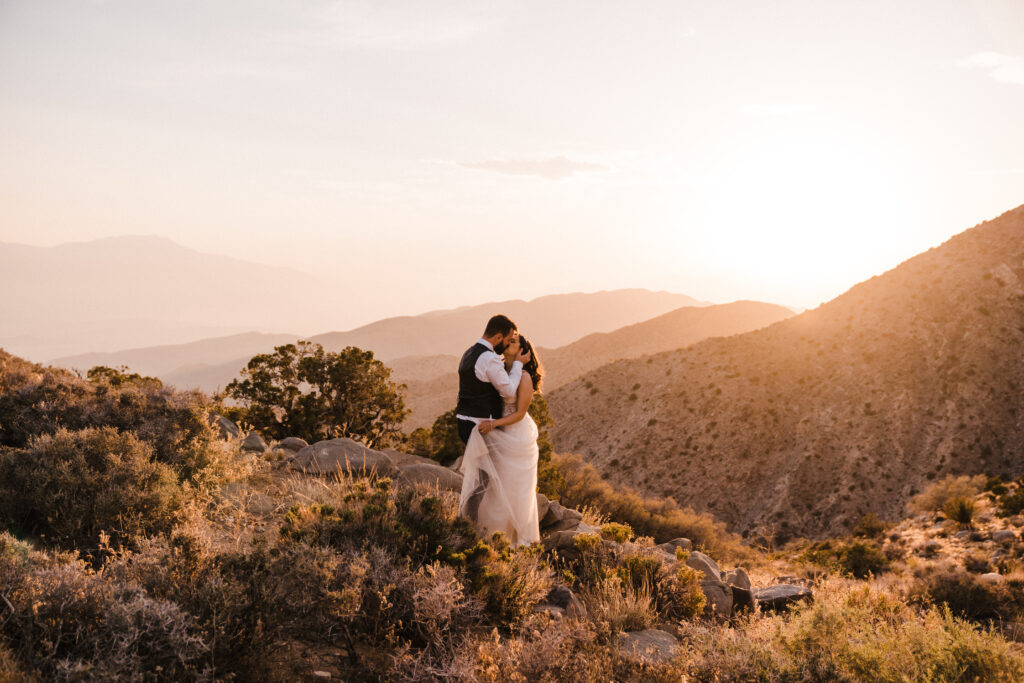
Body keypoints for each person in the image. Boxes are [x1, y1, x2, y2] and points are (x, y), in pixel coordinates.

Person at [458, 324, 544, 547]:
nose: (508, 343)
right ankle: (492, 534)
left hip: (516, 436)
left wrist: (494, 423)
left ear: (523, 352)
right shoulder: (501, 371)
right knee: (496, 489)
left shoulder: (524, 377)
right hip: (499, 433)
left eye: (514, 342)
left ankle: (515, 539)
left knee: (513, 489)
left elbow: (520, 413)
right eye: (509, 340)